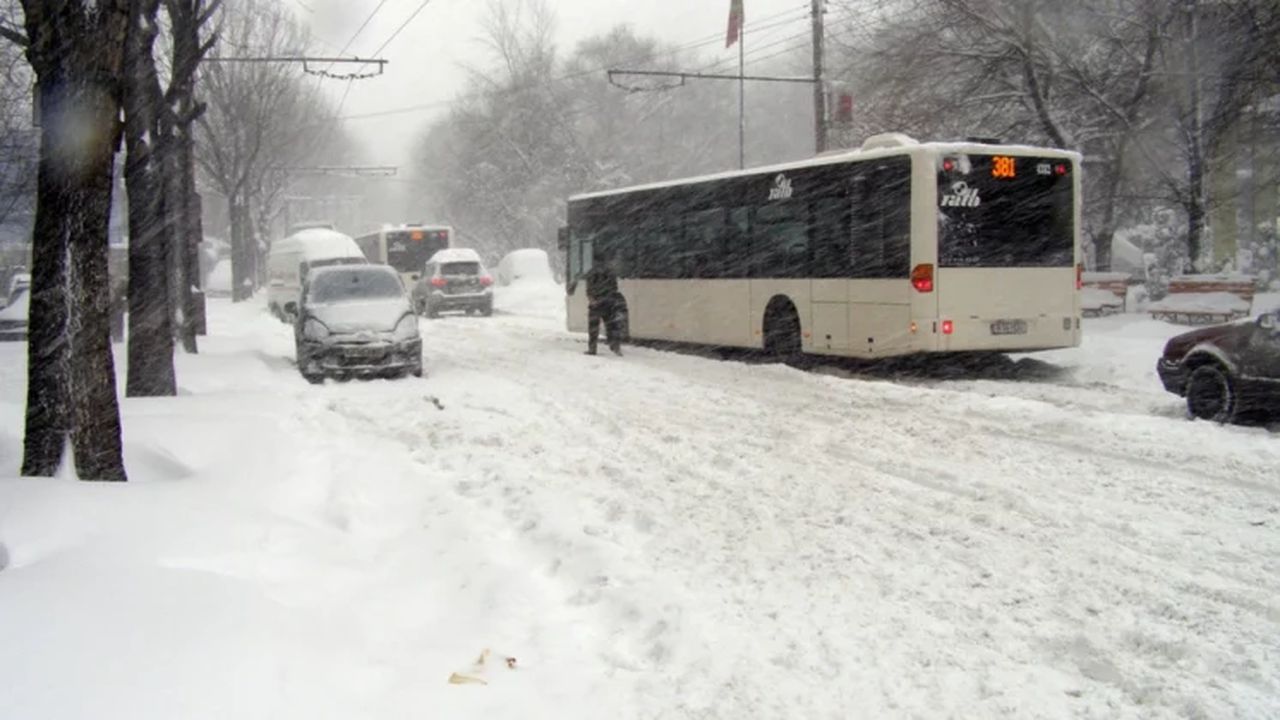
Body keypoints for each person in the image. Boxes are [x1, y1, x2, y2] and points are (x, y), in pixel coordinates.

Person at [584, 253, 622, 356]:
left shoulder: (591, 272)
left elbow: (589, 289)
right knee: (611, 326)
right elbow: (615, 288)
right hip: (609, 303)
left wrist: (593, 300)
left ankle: (592, 349)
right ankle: (615, 347)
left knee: (593, 328)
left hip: (596, 304)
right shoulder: (611, 272)